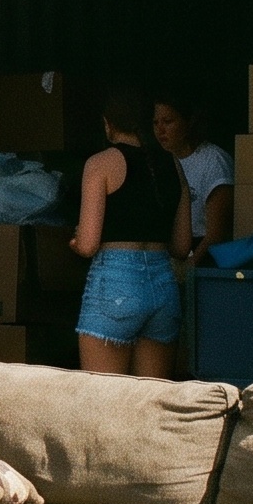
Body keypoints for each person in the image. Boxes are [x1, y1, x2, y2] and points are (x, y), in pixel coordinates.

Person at [70, 88, 190, 378]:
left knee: (106, 401)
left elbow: (88, 244)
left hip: (116, 283)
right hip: (164, 285)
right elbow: (182, 246)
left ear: (107, 123)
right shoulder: (172, 164)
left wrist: (74, 241)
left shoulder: (100, 164)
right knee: (152, 402)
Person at [152, 95, 234, 267]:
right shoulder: (158, 162)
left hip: (205, 255)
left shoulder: (213, 160)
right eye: (155, 123)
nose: (160, 130)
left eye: (167, 121)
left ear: (188, 122)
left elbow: (216, 232)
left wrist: (189, 267)